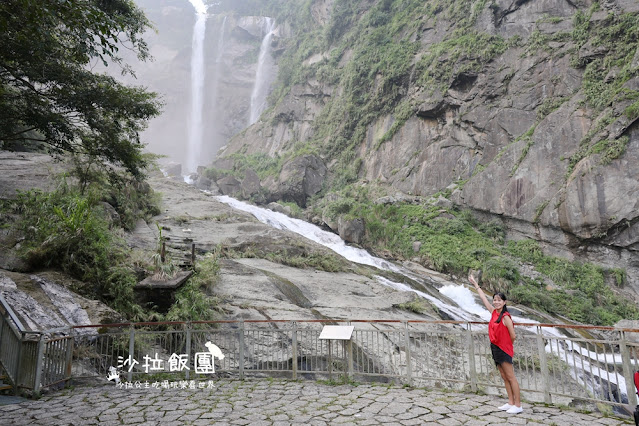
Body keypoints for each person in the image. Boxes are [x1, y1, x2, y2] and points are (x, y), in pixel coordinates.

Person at [469, 273, 523, 414]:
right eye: (495, 300)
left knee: (511, 377)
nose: (496, 302)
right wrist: (475, 284)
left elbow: (513, 335)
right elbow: (482, 298)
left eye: (499, 300)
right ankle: (510, 402)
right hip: (495, 348)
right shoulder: (494, 313)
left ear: (504, 302)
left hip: (504, 349)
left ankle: (518, 405)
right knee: (504, 377)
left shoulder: (506, 317)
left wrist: (507, 346)